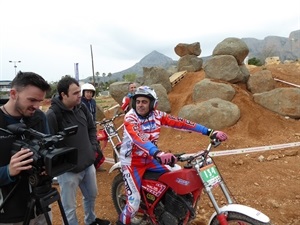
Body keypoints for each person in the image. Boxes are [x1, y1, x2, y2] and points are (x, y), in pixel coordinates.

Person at [116, 86, 228, 225]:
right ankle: (121, 222)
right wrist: (158, 153)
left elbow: (181, 123)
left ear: (152, 104)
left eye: (144, 102)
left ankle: (168, 212)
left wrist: (209, 132)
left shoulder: (158, 115)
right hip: (132, 162)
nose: (140, 105)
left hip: (150, 159)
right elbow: (139, 138)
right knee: (133, 203)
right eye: (137, 101)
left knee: (175, 177)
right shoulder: (130, 118)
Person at [46, 76, 110, 225]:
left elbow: (91, 128)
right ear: (63, 95)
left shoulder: (81, 107)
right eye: (75, 93)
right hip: (68, 171)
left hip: (88, 164)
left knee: (91, 196)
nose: (79, 95)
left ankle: (91, 220)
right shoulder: (52, 115)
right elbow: (50, 144)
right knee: (69, 207)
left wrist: (93, 147)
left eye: (79, 92)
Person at [0, 71, 51, 224]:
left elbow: (48, 148)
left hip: (41, 207)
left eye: (40, 100)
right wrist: (8, 171)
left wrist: (48, 164)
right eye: (32, 100)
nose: (37, 106)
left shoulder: (39, 117)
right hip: (8, 214)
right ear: (13, 94)